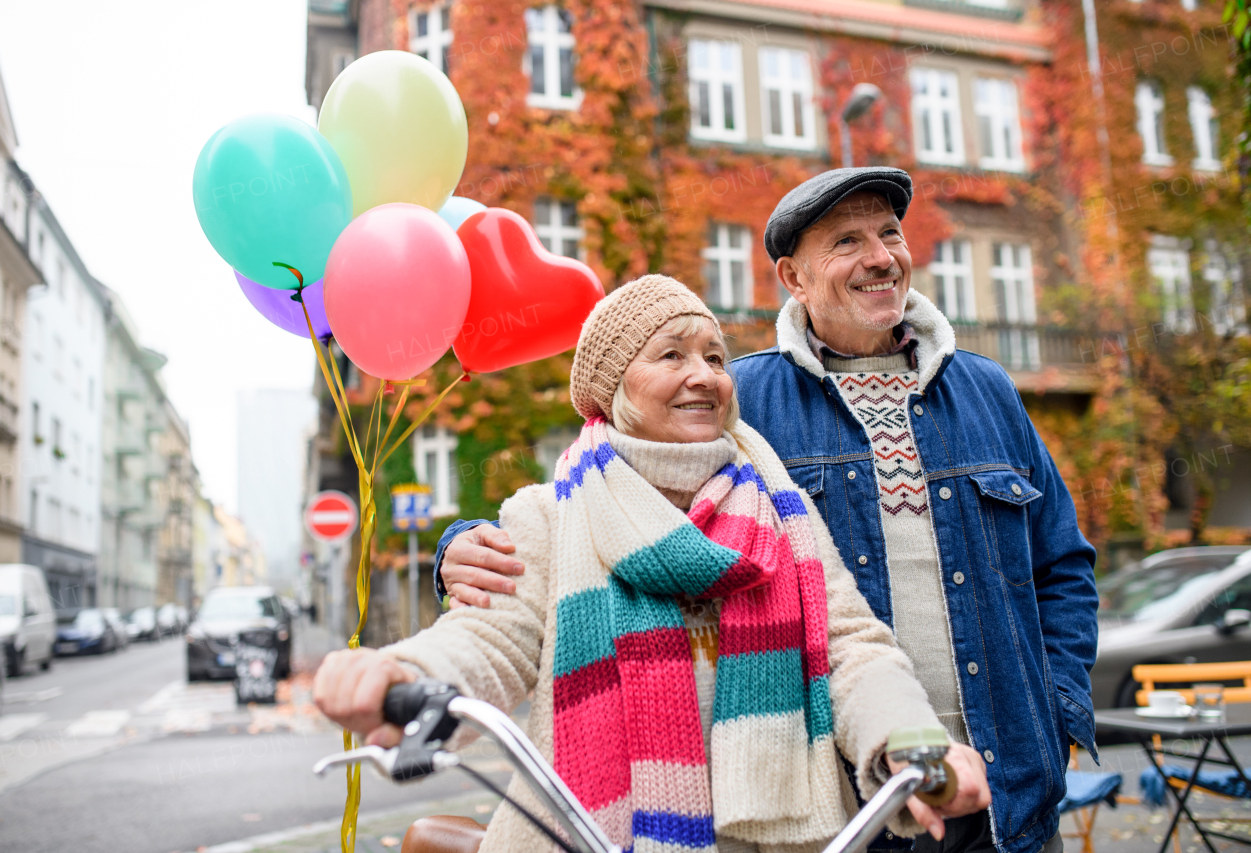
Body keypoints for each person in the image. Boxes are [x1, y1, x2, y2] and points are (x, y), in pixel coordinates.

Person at [434, 168, 1098, 853]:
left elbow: (1063, 564)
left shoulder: (987, 390)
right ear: (793, 277)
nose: (880, 256)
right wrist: (460, 544)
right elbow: (614, 494)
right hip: (846, 805)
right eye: (846, 241)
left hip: (1005, 788)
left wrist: (1056, 712)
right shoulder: (737, 398)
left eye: (890, 234)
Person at [314, 276, 991, 853]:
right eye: (671, 354)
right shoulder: (549, 516)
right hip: (589, 834)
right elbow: (487, 638)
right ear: (615, 388)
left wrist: (908, 736)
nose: (704, 375)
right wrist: (405, 671)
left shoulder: (781, 512)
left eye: (715, 356)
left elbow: (852, 648)